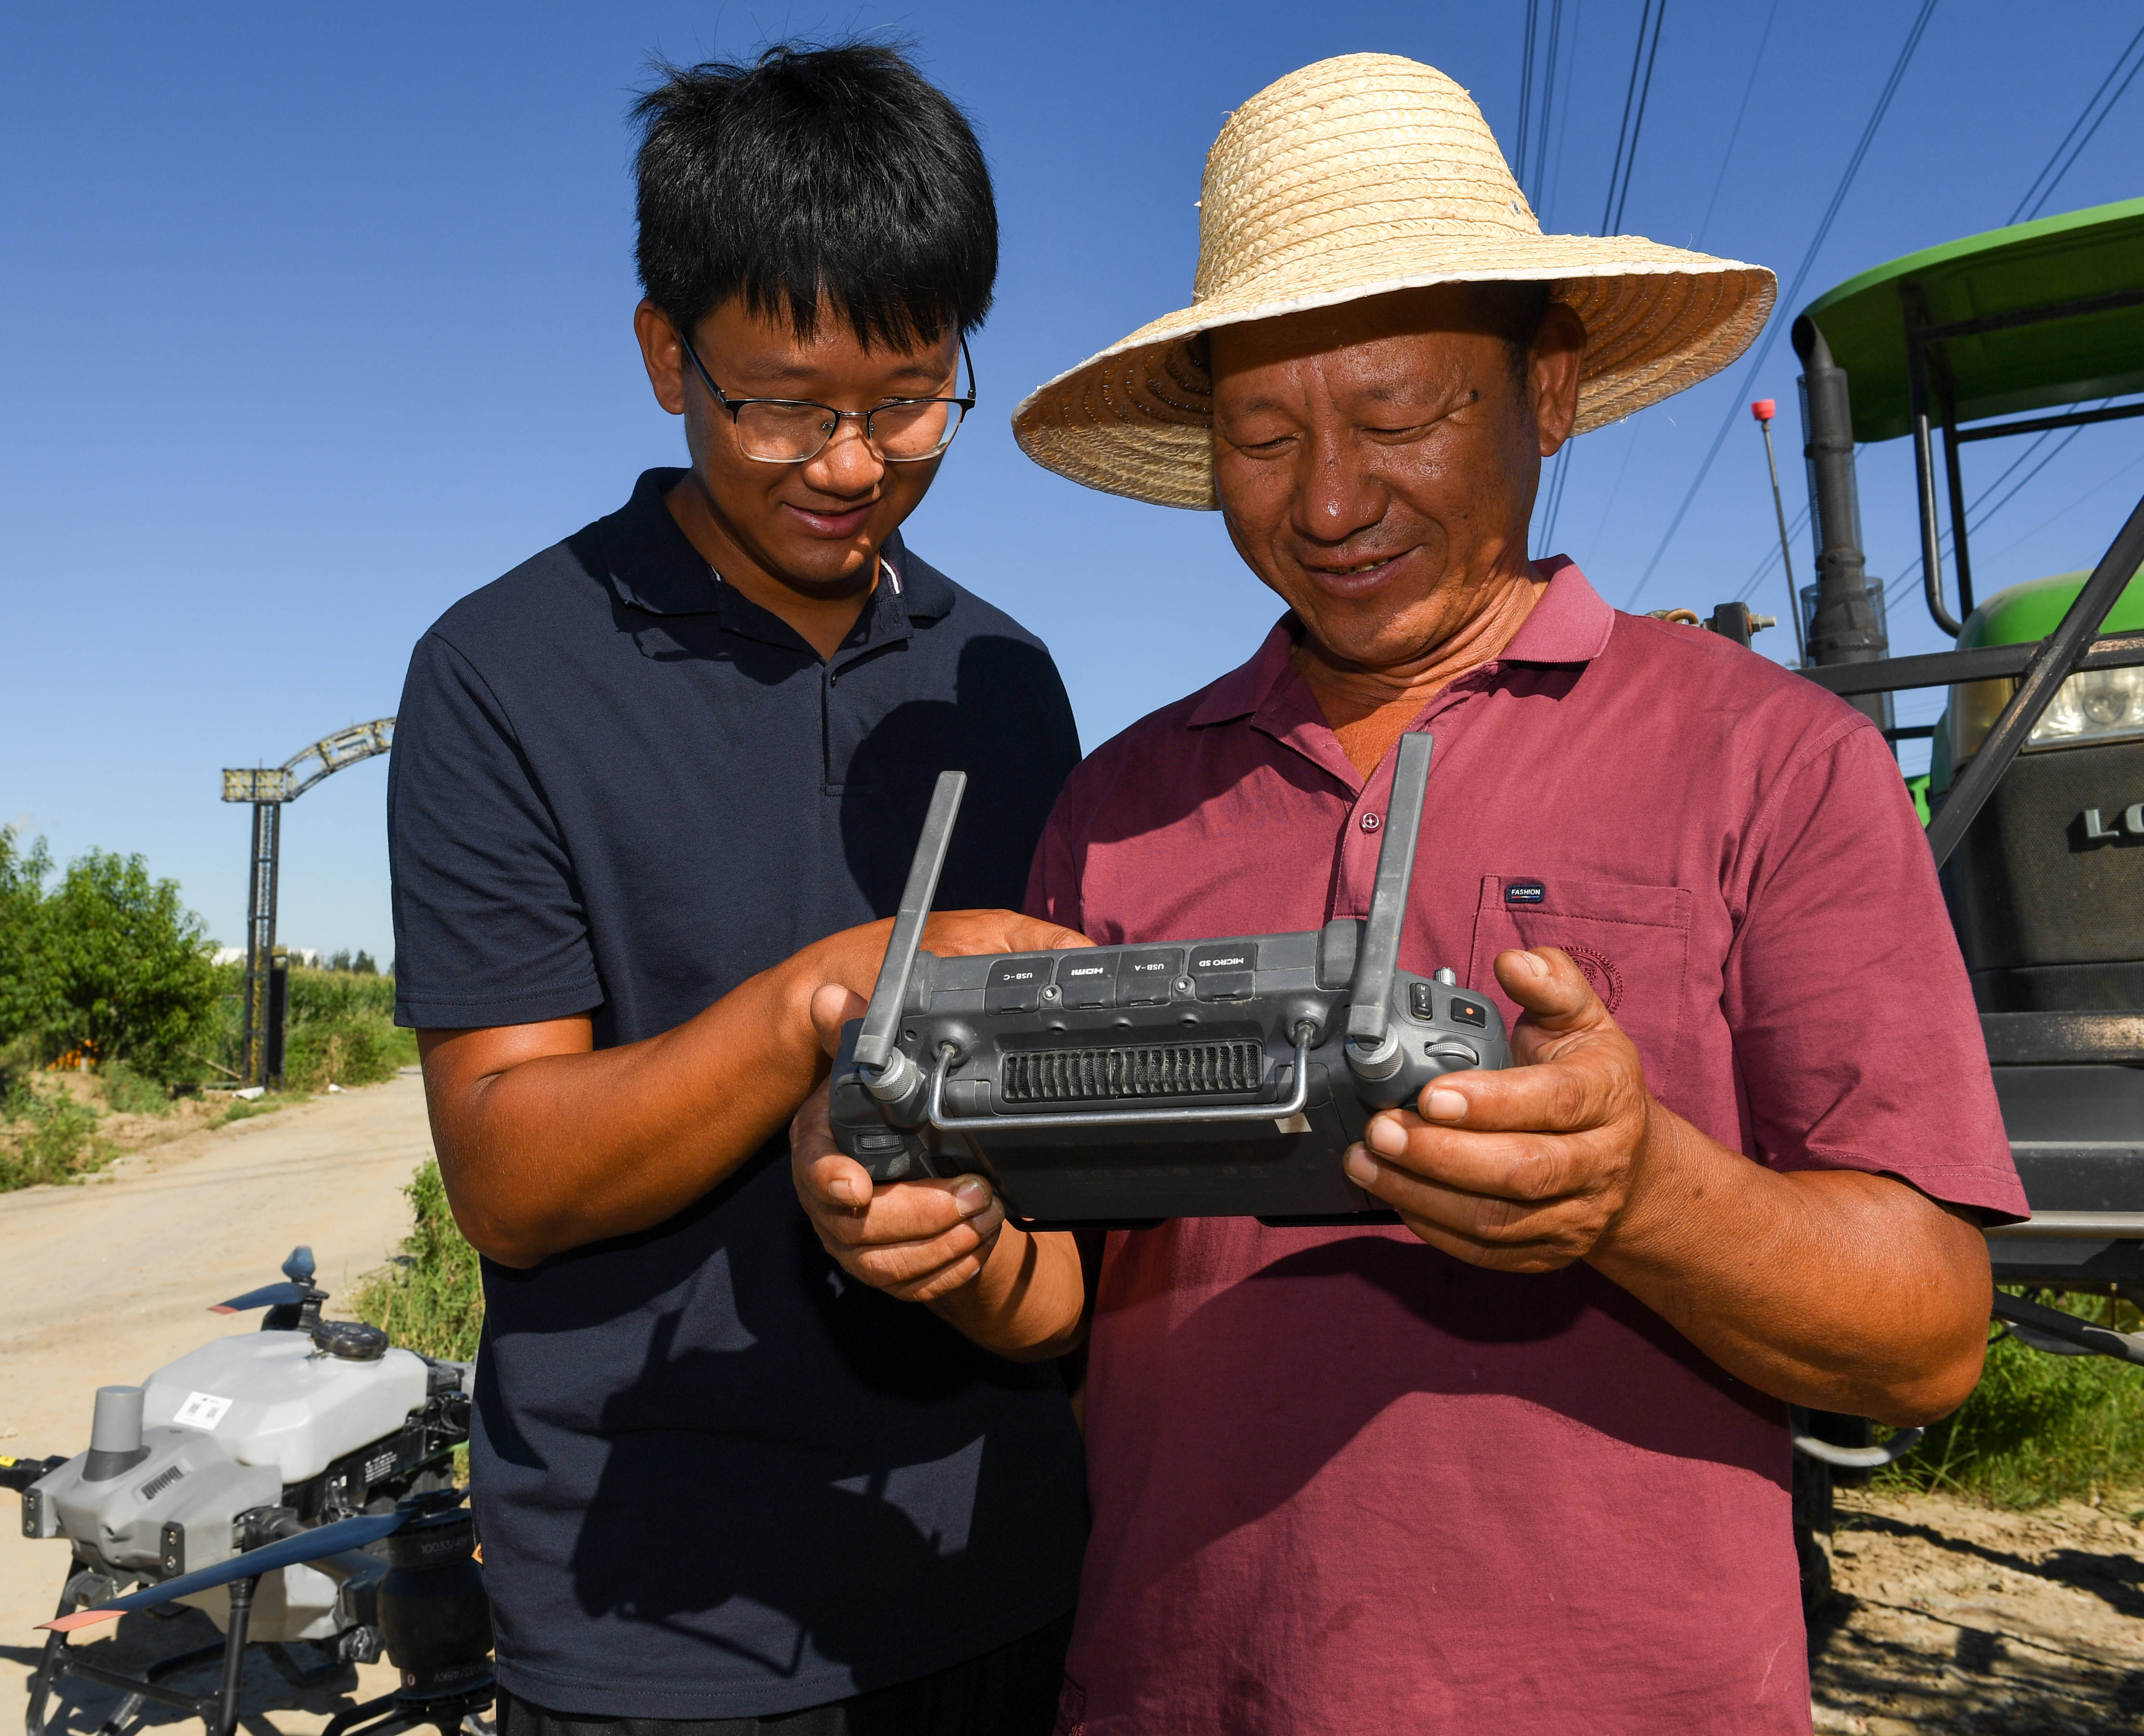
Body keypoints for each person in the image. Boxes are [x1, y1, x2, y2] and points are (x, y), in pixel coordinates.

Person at [790, 54, 2026, 1735]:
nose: (1330, 501)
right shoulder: (1125, 805)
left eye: (1400, 416)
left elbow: (1927, 1338)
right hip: (1177, 1691)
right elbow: (1084, 1294)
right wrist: (938, 1241)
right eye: (1264, 435)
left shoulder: (1770, 761)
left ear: (1553, 389)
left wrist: (1643, 1188)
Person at [388, 40, 1089, 1736]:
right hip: (660, 1619)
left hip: (1008, 1561)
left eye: (911, 397)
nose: (850, 464)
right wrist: (826, 1000)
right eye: (784, 403)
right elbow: (509, 1174)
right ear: (664, 357)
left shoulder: (1006, 679)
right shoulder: (502, 673)